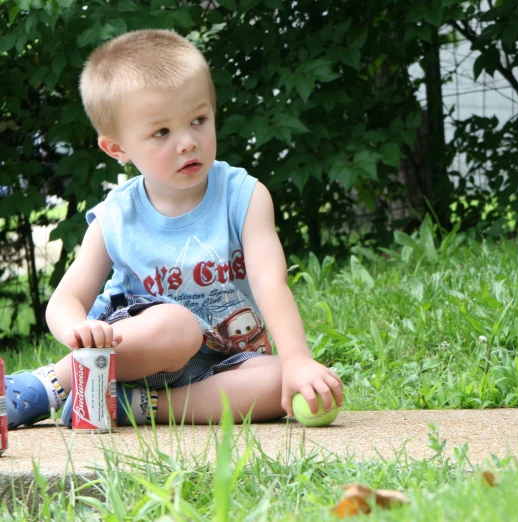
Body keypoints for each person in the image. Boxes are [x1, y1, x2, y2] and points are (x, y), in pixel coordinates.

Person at [5, 29, 343, 429]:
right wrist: (81, 333)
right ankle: (51, 385)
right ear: (118, 149)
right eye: (162, 132)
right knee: (178, 324)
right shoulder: (118, 216)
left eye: (198, 120)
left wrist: (298, 358)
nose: (187, 142)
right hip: (133, 350)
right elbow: (65, 300)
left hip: (218, 361)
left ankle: (132, 407)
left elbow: (271, 284)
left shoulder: (244, 197)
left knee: (276, 380)